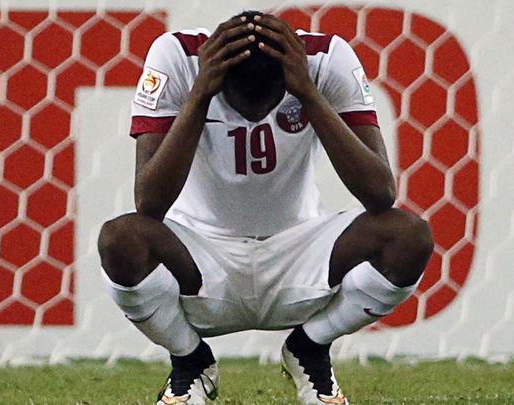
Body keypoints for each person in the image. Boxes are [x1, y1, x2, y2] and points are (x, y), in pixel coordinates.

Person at [98, 10, 433, 405]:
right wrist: (201, 92)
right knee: (119, 239)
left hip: (300, 251)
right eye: (240, 104)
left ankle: (310, 349)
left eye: (269, 104)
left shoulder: (325, 59)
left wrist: (308, 92)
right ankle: (190, 362)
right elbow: (149, 202)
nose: (255, 117)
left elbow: (380, 193)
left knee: (409, 236)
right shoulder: (178, 57)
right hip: (201, 255)